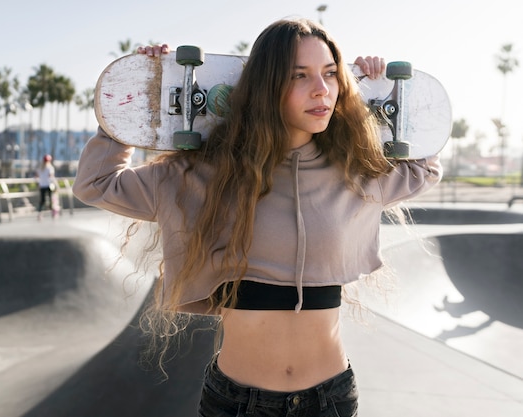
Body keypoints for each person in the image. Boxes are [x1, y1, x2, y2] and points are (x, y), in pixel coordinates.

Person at [73, 18, 442, 417]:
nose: (321, 89)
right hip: (237, 404)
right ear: (267, 85)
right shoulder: (207, 175)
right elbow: (96, 183)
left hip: (329, 401)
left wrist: (379, 89)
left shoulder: (355, 175)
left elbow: (425, 166)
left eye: (331, 74)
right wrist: (136, 91)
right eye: (299, 76)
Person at [36, 154, 56, 220]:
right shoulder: (50, 168)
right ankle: (52, 213)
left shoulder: (40, 168)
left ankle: (40, 214)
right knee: (50, 199)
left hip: (42, 185)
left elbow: (37, 177)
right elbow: (51, 177)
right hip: (48, 185)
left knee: (42, 200)